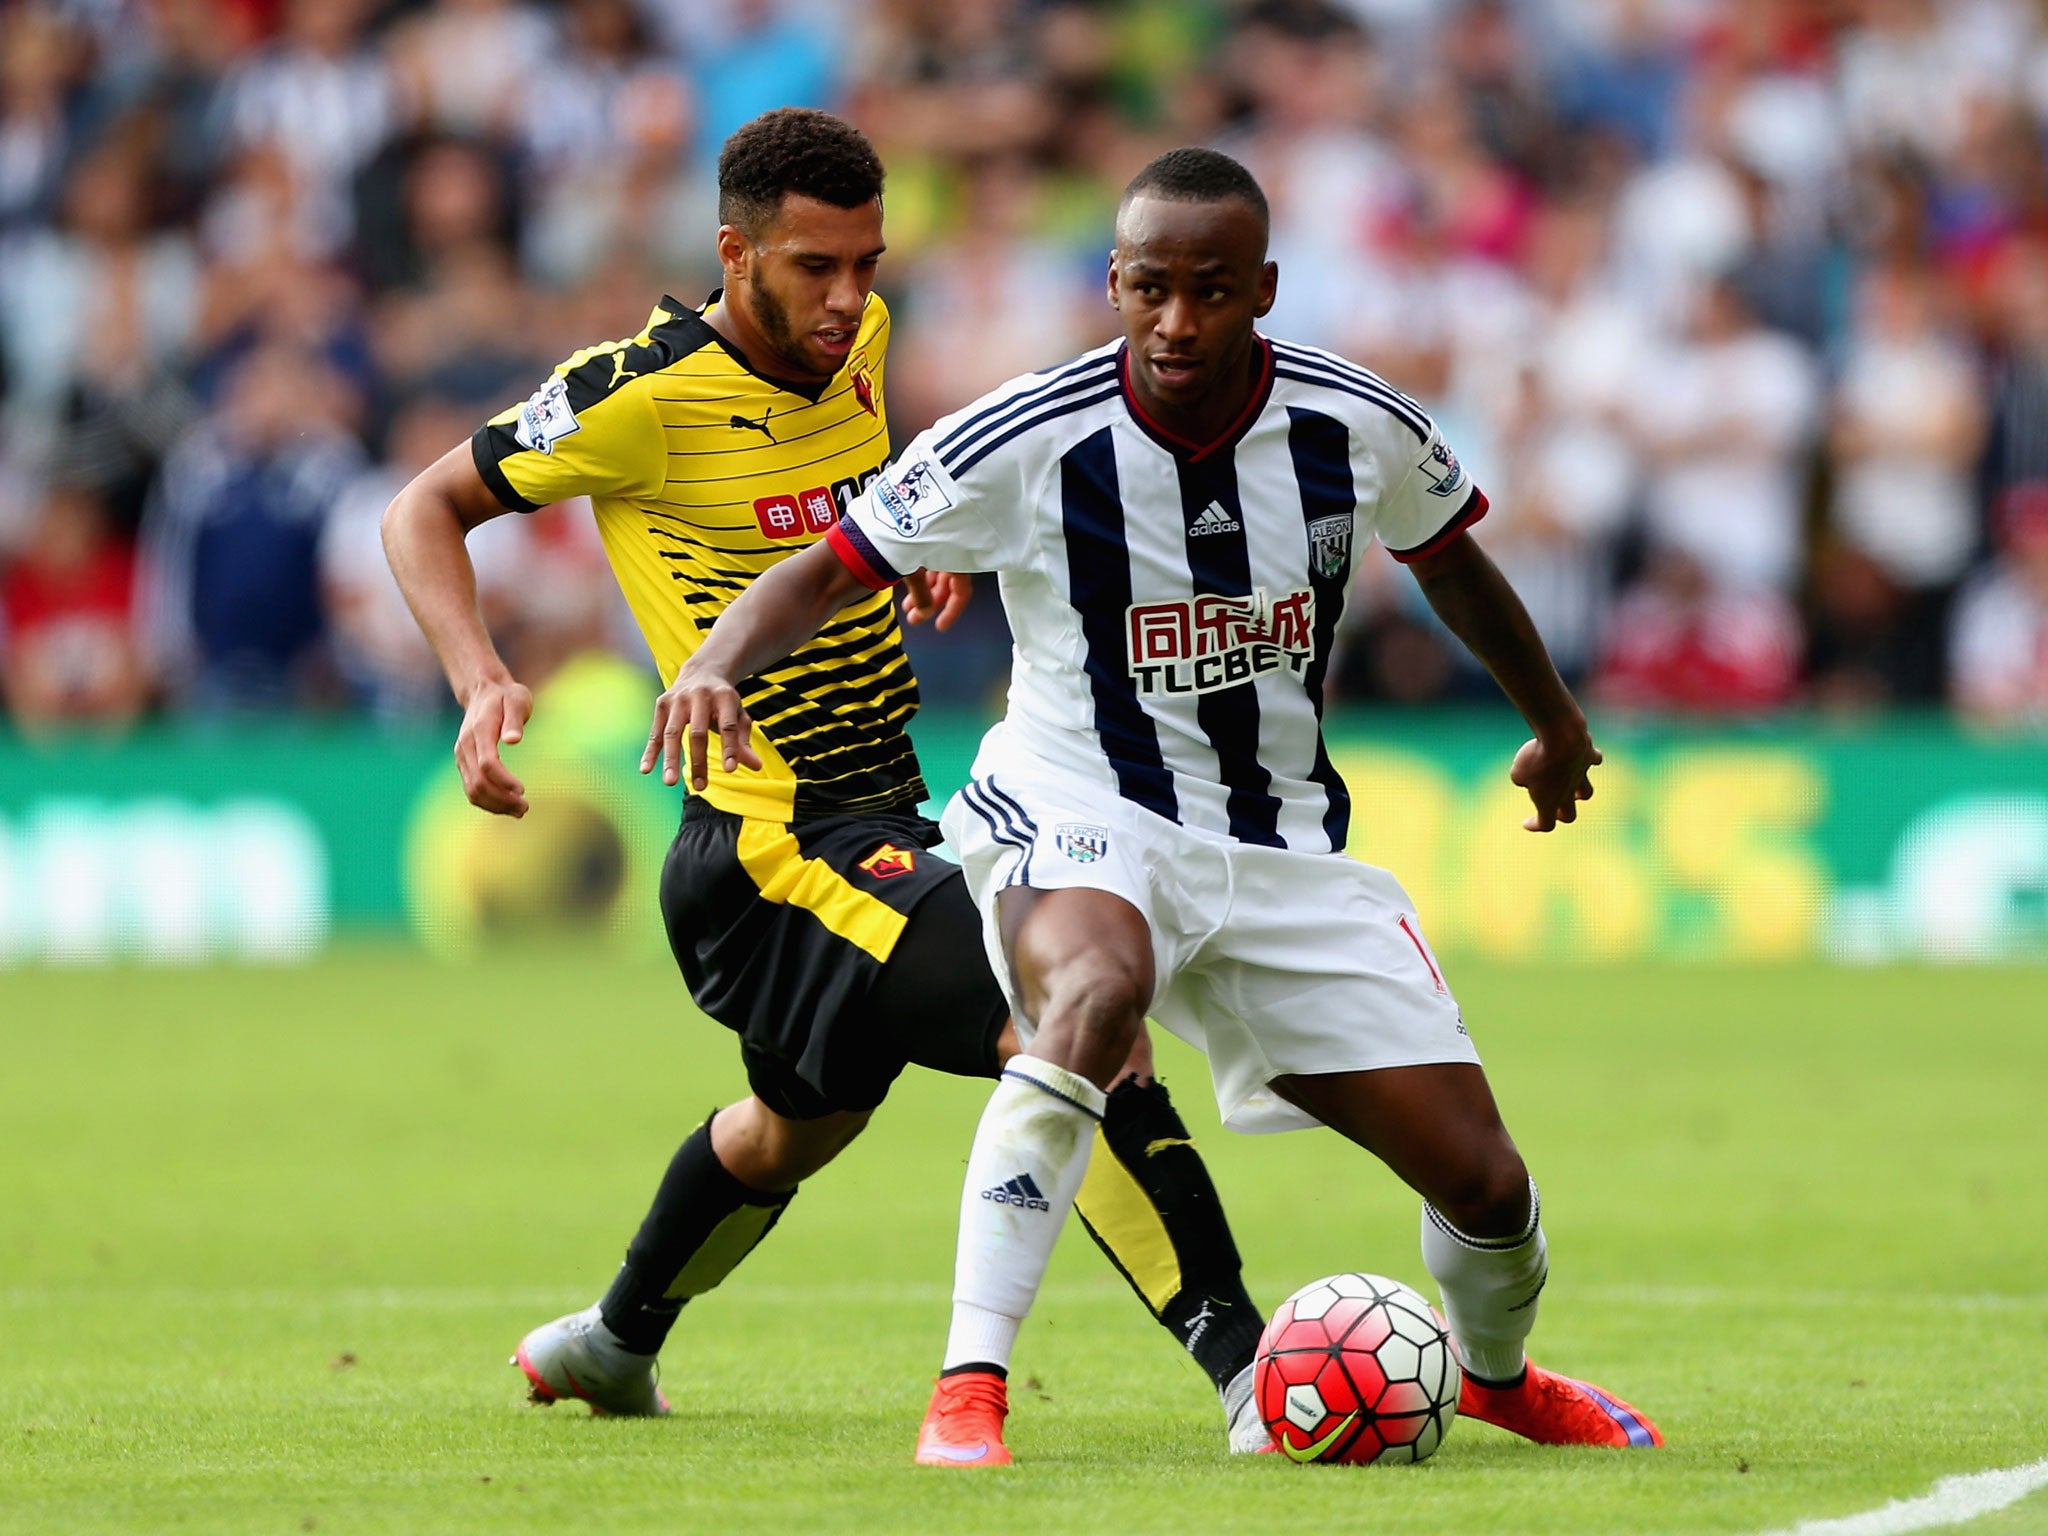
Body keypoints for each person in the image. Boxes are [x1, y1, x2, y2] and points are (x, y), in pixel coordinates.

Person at [658, 147, 1666, 1466]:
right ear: (1116, 282)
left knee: (1486, 1184)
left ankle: (1496, 1377)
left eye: (1209, 291)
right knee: (1085, 1002)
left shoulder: (1352, 424)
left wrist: (1556, 725)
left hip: (1281, 849)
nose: (1176, 322)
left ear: (1263, 288)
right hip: (1081, 805)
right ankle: (970, 1388)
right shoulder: (1023, 434)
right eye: (1148, 289)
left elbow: (1453, 565)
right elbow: (830, 568)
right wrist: (713, 664)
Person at [380, 110, 1270, 1448]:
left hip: (884, 810)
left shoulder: (858, 345)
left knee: (786, 1133)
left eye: (869, 264)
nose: (850, 299)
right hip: (770, 848)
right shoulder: (636, 395)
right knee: (1078, 1021)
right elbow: (421, 508)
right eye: (815, 267)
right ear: (735, 252)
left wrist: (924, 537)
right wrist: (478, 676)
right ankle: (1255, 1374)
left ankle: (612, 1344)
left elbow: (851, 492)